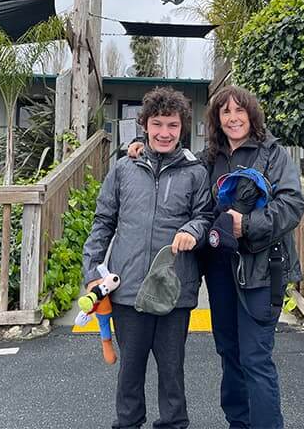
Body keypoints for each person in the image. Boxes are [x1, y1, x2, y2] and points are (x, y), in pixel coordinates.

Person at [129, 85, 304, 429]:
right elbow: (172, 156)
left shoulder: (273, 154)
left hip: (260, 271)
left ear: (252, 115)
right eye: (226, 112)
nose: (233, 118)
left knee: (255, 358)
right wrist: (135, 149)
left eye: (240, 111)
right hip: (220, 270)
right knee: (229, 353)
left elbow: (292, 206)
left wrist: (248, 225)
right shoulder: (210, 157)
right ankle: (238, 423)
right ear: (217, 119)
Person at [82, 87, 213, 429]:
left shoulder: (196, 172)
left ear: (182, 127)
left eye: (172, 125)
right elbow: (103, 222)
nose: (165, 133)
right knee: (130, 373)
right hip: (127, 291)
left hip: (175, 291)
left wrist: (193, 230)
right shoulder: (124, 168)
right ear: (144, 125)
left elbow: (205, 215)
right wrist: (92, 271)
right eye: (157, 124)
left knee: (172, 373)